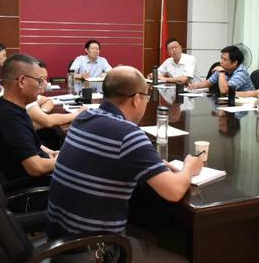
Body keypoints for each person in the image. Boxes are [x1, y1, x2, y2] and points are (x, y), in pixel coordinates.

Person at [46, 66, 202, 261]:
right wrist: (189, 167)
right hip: (94, 252)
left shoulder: (83, 118)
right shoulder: (127, 133)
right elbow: (174, 191)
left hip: (58, 242)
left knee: (150, 235)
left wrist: (152, 165)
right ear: (136, 99)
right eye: (146, 96)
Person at [0, 54, 57, 183]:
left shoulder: (5, 106)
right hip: (32, 186)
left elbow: (29, 146)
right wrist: (67, 160)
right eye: (39, 81)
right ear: (22, 81)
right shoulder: (9, 118)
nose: (42, 86)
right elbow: (36, 168)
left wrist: (51, 154)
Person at [27, 60, 84, 149]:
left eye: (45, 78)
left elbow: (48, 101)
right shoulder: (26, 97)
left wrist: (42, 113)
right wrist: (77, 114)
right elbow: (49, 121)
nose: (46, 83)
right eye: (41, 79)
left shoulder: (31, 95)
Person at [189, 45, 254, 94]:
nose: (221, 62)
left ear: (235, 62)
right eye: (221, 58)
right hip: (232, 101)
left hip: (247, 104)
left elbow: (224, 91)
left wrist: (221, 72)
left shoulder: (241, 73)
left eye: (224, 59)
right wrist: (194, 86)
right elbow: (208, 82)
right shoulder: (224, 68)